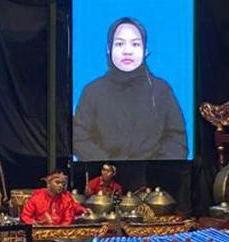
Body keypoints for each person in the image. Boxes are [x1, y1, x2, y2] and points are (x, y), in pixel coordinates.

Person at [73, 17, 187, 161]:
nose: (127, 51)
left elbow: (177, 138)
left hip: (155, 177)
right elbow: (79, 137)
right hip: (103, 177)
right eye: (120, 44)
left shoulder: (162, 90)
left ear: (145, 50)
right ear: (109, 49)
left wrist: (157, 169)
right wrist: (108, 167)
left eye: (135, 44)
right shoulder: (92, 91)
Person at [19, 172, 85, 226]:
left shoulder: (66, 198)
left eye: (63, 183)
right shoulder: (37, 197)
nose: (61, 185)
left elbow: (68, 220)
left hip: (61, 234)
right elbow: (25, 216)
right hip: (39, 233)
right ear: (48, 184)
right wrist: (36, 224)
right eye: (57, 182)